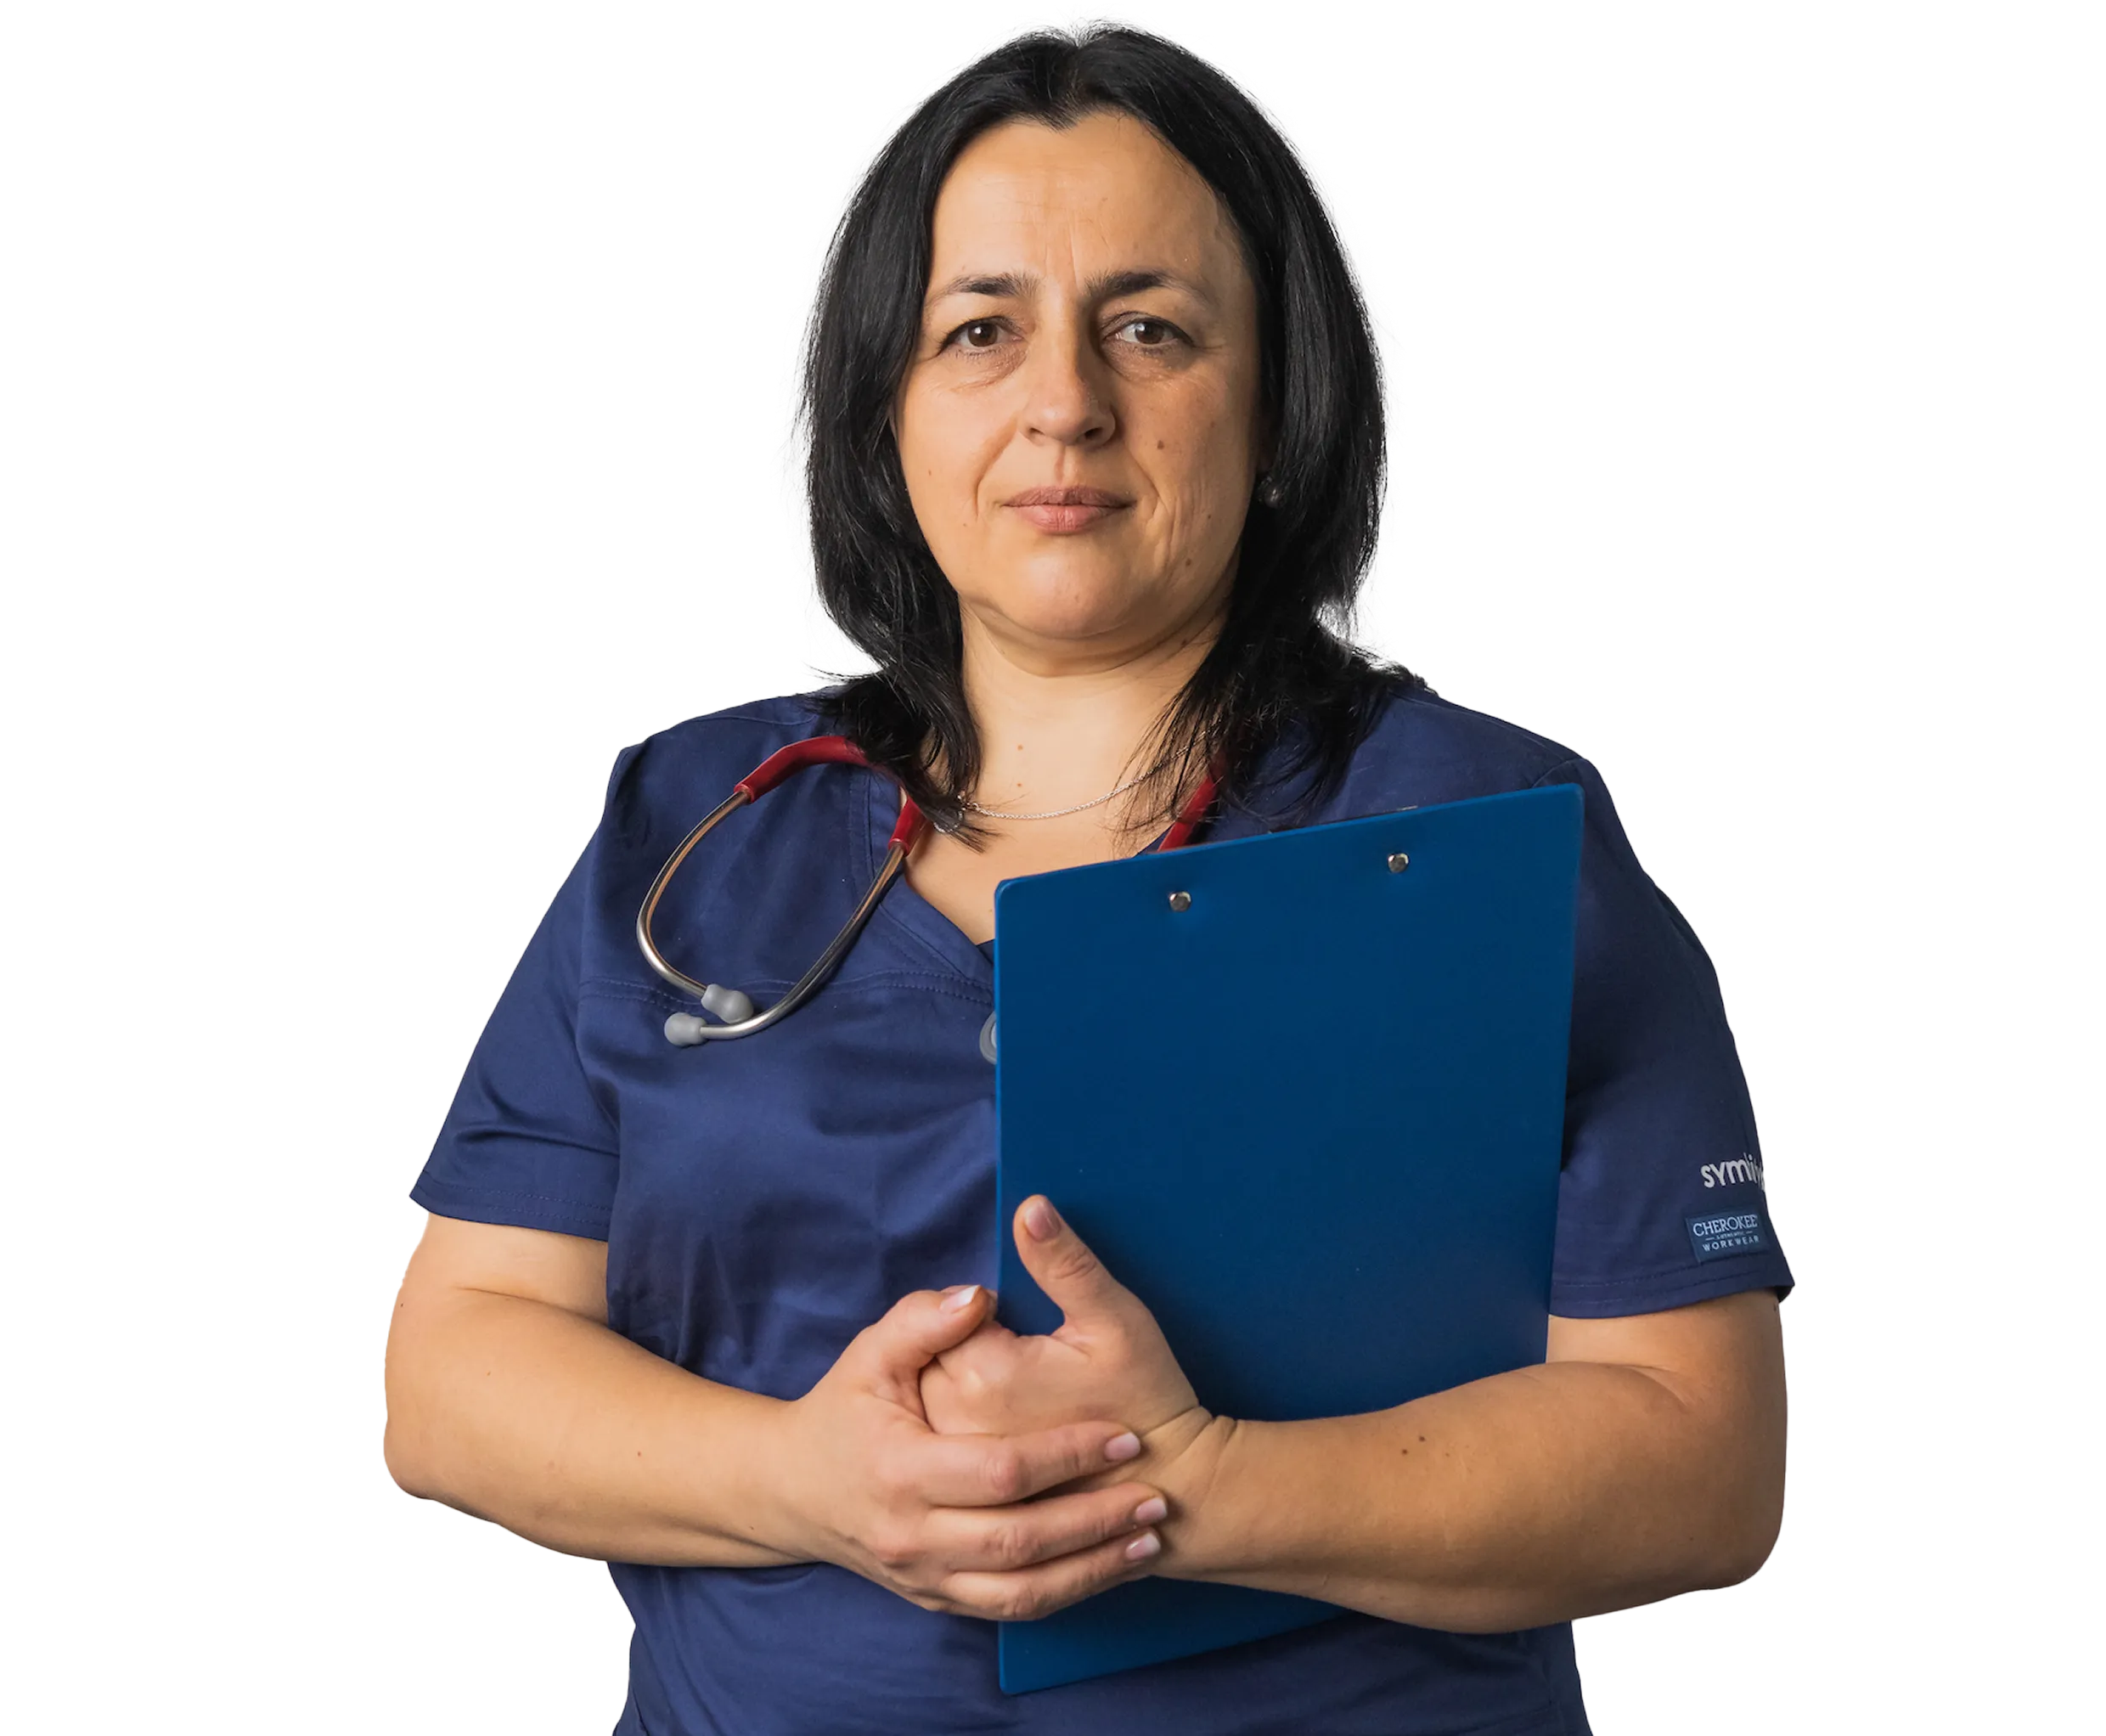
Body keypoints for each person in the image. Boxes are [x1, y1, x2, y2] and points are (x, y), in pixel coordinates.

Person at [382, 12, 1793, 1733]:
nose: (1064, 402)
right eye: (980, 329)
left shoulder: (1499, 839)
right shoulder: (694, 821)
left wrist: (1189, 1487)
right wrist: (810, 1479)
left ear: (1277, 401)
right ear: (884, 409)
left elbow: (1695, 1460)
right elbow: (454, 1368)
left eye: (1151, 327)